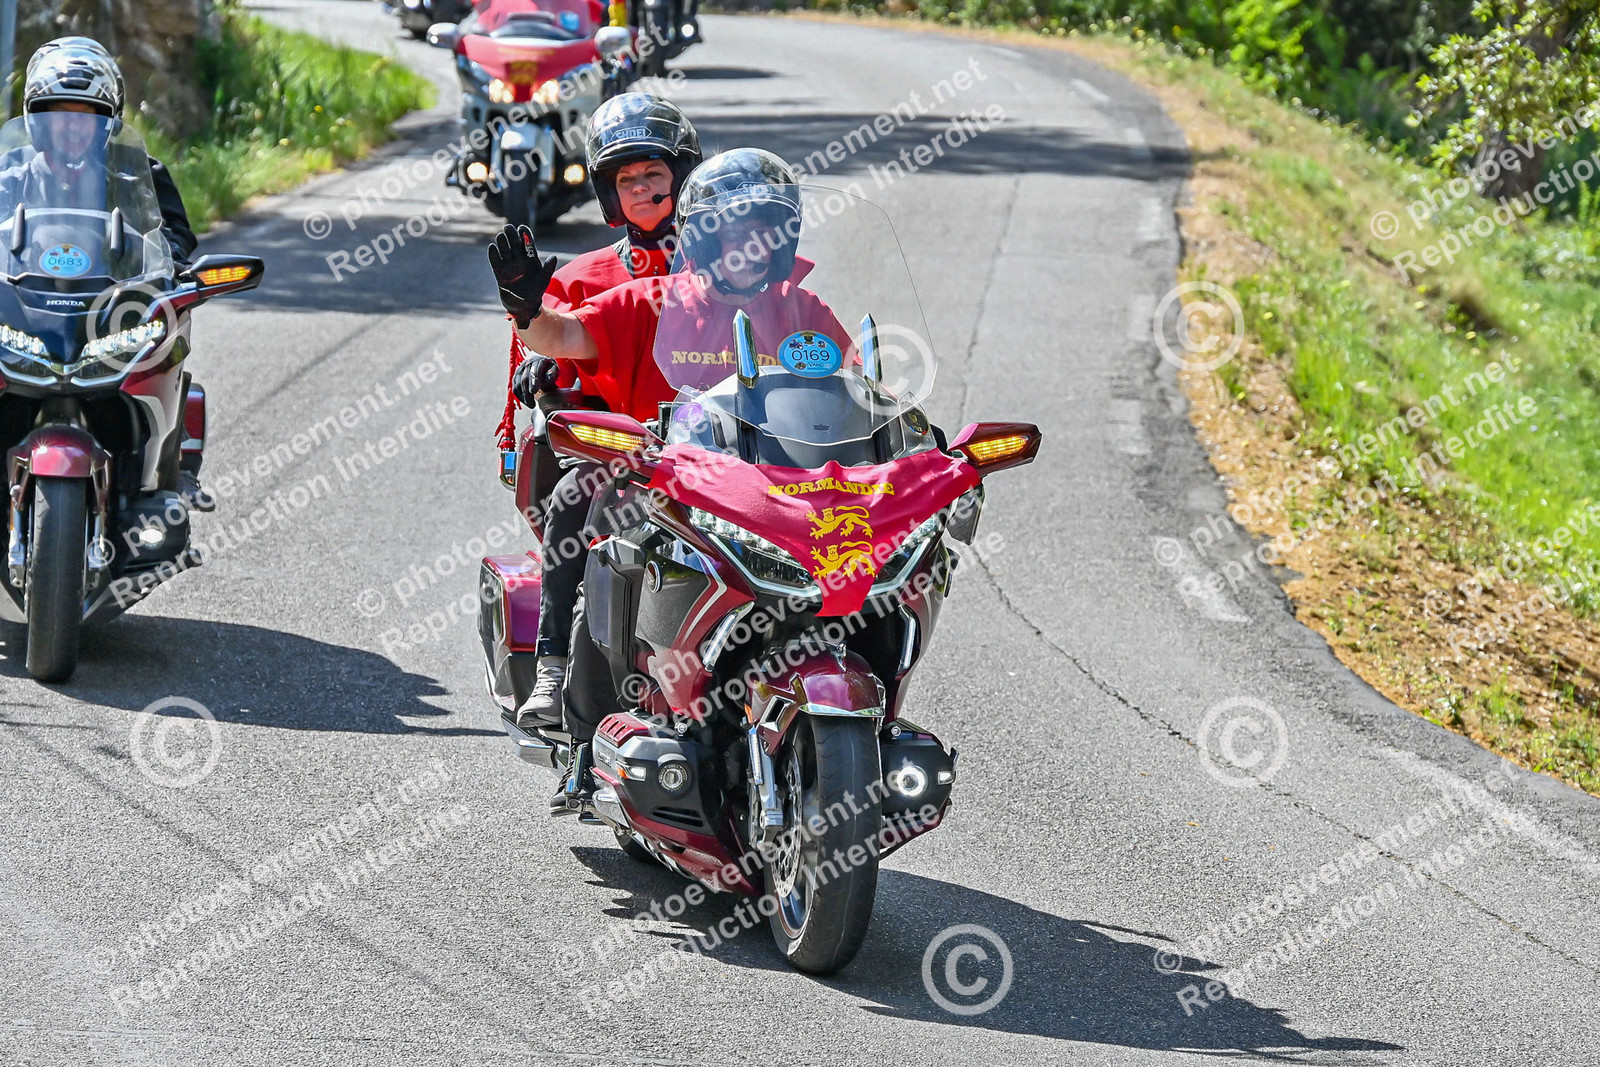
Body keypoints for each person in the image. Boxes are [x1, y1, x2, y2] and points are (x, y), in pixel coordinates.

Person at [488, 147, 848, 812]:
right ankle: (577, 722)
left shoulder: (804, 311)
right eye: (731, 231)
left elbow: (855, 389)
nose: (747, 245)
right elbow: (561, 336)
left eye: (762, 228)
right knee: (603, 541)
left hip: (777, 494)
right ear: (702, 238)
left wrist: (904, 431)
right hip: (664, 489)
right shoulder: (650, 299)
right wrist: (525, 308)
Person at [22, 37, 198, 268]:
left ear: (106, 123)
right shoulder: (9, 176)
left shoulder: (138, 173)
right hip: (20, 290)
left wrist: (166, 259)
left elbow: (175, 236)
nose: (73, 125)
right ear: (39, 121)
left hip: (122, 290)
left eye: (86, 115)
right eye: (61, 113)